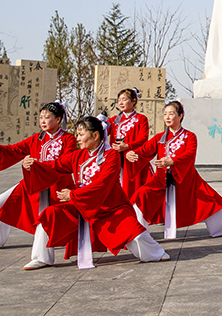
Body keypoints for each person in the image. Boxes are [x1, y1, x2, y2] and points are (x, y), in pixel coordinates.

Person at [21, 115, 169, 270]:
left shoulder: (111, 156)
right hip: (81, 206)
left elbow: (102, 184)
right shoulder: (77, 156)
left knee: (135, 234)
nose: (77, 138)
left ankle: (157, 253)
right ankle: (41, 258)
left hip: (110, 209)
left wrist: (72, 195)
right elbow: (54, 166)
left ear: (96, 135)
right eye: (77, 134)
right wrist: (33, 165)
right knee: (48, 215)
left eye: (81, 134)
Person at [0, 101, 76, 265]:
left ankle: (41, 257)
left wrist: (39, 165)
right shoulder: (36, 138)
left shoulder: (68, 139)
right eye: (41, 117)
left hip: (55, 186)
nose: (43, 121)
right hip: (33, 182)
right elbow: (14, 150)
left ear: (58, 119)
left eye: (48, 117)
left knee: (44, 219)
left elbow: (67, 161)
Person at [127, 101, 222, 240]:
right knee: (140, 196)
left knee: (215, 201)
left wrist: (173, 161)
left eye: (171, 114)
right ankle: (140, 234)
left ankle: (219, 229)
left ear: (180, 116)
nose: (167, 117)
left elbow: (190, 154)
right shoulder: (159, 138)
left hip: (186, 179)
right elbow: (144, 150)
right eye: (165, 114)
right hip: (161, 180)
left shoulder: (190, 136)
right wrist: (132, 153)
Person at [108, 88, 151, 200]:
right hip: (115, 158)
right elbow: (100, 132)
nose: (121, 103)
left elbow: (143, 138)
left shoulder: (141, 119)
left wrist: (127, 146)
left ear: (133, 101)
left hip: (132, 160)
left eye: (124, 99)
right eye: (119, 100)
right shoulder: (113, 120)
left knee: (132, 189)